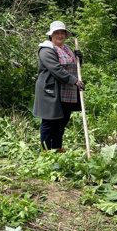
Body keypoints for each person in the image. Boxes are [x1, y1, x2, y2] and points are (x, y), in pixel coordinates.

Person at [32, 21, 84, 152]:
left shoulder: (66, 48)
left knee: (62, 121)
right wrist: (75, 81)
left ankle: (56, 147)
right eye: (57, 33)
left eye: (62, 33)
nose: (60, 35)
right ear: (51, 35)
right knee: (50, 121)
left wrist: (79, 58)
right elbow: (56, 69)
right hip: (51, 90)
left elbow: (73, 66)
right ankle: (46, 150)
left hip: (66, 90)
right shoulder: (46, 50)